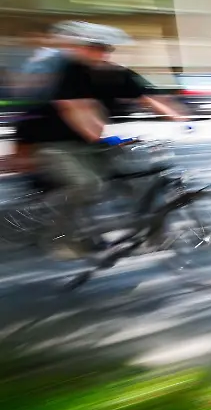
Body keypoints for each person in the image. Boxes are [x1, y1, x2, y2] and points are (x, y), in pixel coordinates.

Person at [18, 21, 188, 258]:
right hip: (57, 144)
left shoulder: (117, 73)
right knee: (87, 184)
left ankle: (154, 234)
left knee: (142, 180)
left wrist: (178, 118)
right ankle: (60, 239)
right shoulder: (69, 73)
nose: (102, 53)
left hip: (97, 142)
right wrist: (101, 135)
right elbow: (77, 111)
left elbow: (149, 96)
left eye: (106, 48)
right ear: (83, 49)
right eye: (95, 47)